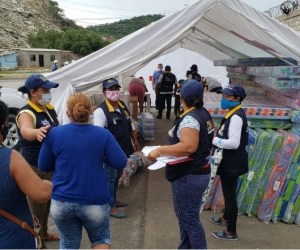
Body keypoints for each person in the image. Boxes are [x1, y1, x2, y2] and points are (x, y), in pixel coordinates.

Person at [38, 93, 127, 249]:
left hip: (62, 201)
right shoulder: (102, 134)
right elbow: (120, 162)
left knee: (68, 243)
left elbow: (44, 166)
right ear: (91, 110)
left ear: (67, 113)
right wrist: (103, 156)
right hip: (94, 200)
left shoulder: (54, 133)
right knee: (100, 240)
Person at [148, 80, 214, 249]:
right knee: (185, 216)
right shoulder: (202, 113)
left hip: (189, 175)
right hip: (197, 171)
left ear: (181, 98)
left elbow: (188, 147)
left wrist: (161, 150)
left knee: (189, 219)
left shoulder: (191, 119)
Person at [0, 101, 52, 249]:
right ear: (3, 127)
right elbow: (41, 193)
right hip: (13, 240)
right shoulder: (10, 158)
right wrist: (50, 183)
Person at [16, 74, 60, 248]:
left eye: (49, 89)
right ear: (33, 92)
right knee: (37, 209)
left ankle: (43, 233)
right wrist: (37, 132)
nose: (48, 93)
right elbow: (26, 130)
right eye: (44, 90)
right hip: (34, 167)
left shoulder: (48, 109)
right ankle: (37, 241)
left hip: (49, 166)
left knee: (47, 202)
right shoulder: (26, 112)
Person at [94, 78, 140, 218]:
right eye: (111, 89)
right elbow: (98, 135)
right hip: (110, 153)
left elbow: (130, 124)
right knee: (110, 178)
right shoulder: (100, 111)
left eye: (116, 89)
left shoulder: (121, 105)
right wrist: (102, 153)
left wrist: (135, 140)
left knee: (117, 176)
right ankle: (110, 207)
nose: (114, 92)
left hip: (123, 149)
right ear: (104, 92)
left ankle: (114, 200)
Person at [210, 83, 248, 241]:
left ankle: (231, 231)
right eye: (223, 96)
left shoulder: (236, 117)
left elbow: (234, 143)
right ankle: (225, 218)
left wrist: (216, 140)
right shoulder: (233, 113)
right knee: (228, 193)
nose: (223, 99)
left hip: (232, 163)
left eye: (227, 97)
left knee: (230, 196)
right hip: (230, 161)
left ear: (237, 99)